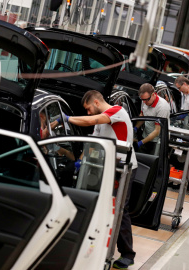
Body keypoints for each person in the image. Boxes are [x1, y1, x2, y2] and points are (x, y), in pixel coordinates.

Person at [65, 90, 138, 269]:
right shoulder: (100, 121)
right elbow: (93, 143)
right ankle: (99, 247)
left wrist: (66, 119)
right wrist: (80, 161)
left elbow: (91, 120)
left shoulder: (117, 111)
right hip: (105, 168)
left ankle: (128, 254)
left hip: (124, 168)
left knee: (120, 209)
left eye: (89, 109)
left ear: (96, 102)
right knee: (101, 207)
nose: (89, 113)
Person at [134, 83, 170, 155]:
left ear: (153, 94)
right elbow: (143, 115)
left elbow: (157, 131)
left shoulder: (162, 107)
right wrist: (135, 127)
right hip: (146, 136)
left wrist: (141, 142)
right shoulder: (144, 100)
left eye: (146, 100)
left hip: (157, 141)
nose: (144, 102)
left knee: (151, 162)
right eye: (142, 100)